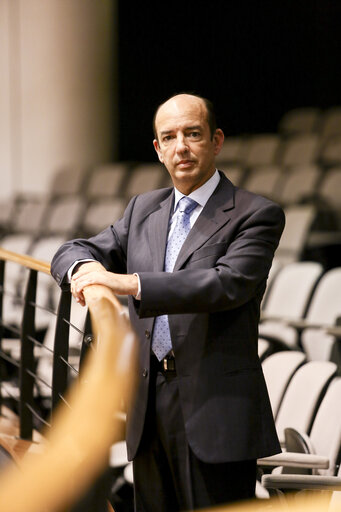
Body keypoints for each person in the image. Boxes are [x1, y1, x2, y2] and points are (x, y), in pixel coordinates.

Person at [51, 93, 285, 511]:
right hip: (148, 404)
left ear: (216, 141)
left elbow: (225, 285)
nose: (182, 147)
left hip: (215, 410)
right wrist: (81, 272)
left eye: (193, 134)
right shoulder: (144, 209)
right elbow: (74, 250)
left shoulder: (256, 213)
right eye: (170, 137)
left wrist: (128, 283)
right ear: (158, 150)